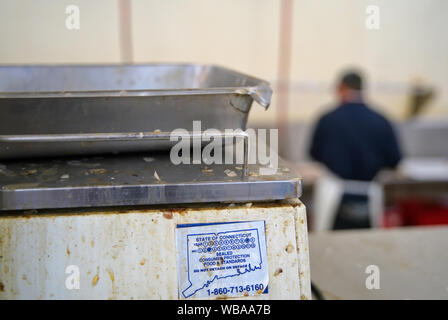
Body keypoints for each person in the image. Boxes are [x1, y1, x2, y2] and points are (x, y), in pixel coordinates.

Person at [309, 69, 402, 229]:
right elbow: (395, 159)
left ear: (341, 88)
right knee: (366, 245)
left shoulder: (328, 119)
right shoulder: (381, 119)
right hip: (369, 195)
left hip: (333, 193)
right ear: (362, 89)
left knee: (329, 246)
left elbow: (313, 153)